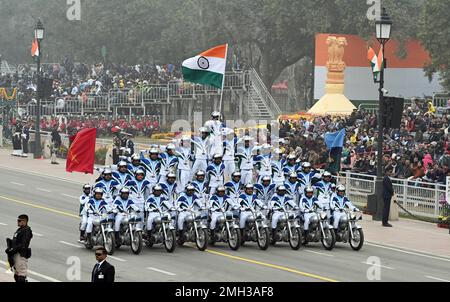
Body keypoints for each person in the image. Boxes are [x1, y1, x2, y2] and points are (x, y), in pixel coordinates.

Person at [5, 214, 33, 282]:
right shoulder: (20, 229)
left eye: (19, 220)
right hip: (16, 254)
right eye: (18, 220)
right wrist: (10, 246)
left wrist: (13, 250)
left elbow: (23, 245)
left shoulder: (27, 231)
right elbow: (17, 241)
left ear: (24, 221)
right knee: (17, 275)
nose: (18, 222)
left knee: (21, 276)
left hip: (21, 255)